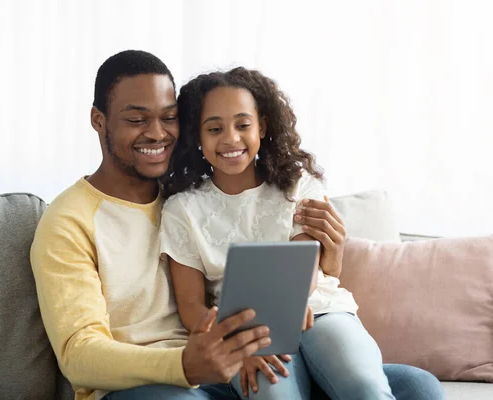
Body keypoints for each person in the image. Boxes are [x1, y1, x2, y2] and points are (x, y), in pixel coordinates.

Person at [31, 50, 444, 400]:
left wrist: (329, 263)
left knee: (419, 387)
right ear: (99, 120)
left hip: (240, 350)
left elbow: (296, 270)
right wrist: (186, 362)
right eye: (136, 119)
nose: (156, 133)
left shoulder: (175, 195)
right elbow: (79, 356)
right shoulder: (70, 221)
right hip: (161, 378)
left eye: (168, 117)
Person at [159, 67, 445, 400]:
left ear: (262, 126)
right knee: (273, 395)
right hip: (243, 334)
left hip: (319, 311)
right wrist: (237, 343)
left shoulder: (298, 184)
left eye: (243, 124)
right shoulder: (182, 210)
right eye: (214, 128)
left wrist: (286, 307)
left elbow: (306, 269)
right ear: (197, 135)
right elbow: (192, 307)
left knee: (364, 386)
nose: (230, 139)